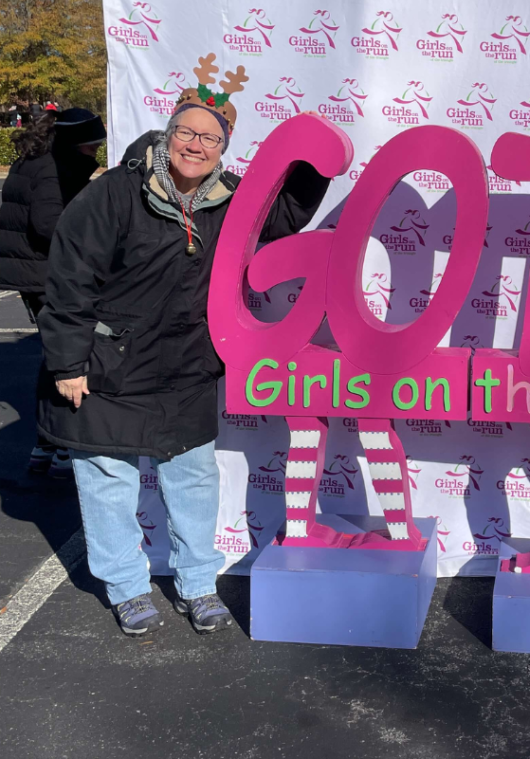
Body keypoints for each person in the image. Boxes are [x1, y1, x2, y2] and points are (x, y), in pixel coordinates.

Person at [37, 65, 329, 637]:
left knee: (193, 480)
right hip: (108, 364)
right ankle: (125, 587)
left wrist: (316, 159)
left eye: (211, 137)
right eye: (187, 133)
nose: (196, 145)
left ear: (224, 147)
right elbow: (70, 280)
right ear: (167, 134)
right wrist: (67, 362)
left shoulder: (231, 197)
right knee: (107, 480)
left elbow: (284, 218)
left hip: (186, 366)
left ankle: (197, 585)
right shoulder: (114, 194)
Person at [0, 108, 106, 476]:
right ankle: (60, 443)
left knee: (55, 354)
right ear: (76, 144)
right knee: (69, 355)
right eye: (92, 150)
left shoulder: (39, 159)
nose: (95, 157)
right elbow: (48, 224)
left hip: (33, 272)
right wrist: (98, 242)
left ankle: (48, 443)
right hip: (46, 274)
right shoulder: (51, 168)